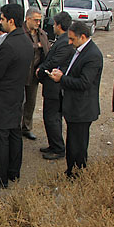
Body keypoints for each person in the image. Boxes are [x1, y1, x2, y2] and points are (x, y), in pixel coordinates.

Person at [0, 4, 33, 189]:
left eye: (2, 19)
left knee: (0, 137)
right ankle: (13, 172)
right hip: (17, 94)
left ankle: (0, 177)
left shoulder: (8, 44)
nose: (0, 22)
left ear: (11, 20)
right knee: (14, 135)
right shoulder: (26, 40)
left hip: (2, 98)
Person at [49, 21, 103, 177]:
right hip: (74, 107)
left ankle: (77, 174)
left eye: (72, 39)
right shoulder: (80, 51)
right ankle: (71, 171)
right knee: (72, 143)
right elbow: (74, 71)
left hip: (82, 109)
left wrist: (62, 79)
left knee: (78, 145)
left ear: (83, 37)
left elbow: (84, 83)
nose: (69, 42)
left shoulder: (92, 55)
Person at [36, 11, 74, 160]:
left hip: (55, 87)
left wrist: (41, 70)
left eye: (54, 24)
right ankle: (53, 144)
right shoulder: (61, 40)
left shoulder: (65, 42)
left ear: (58, 25)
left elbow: (54, 61)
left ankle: (58, 148)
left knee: (52, 118)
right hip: (52, 86)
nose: (53, 27)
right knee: (50, 117)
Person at [22, 7, 50, 141]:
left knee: (31, 102)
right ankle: (15, 127)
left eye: (40, 20)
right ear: (28, 19)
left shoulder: (42, 34)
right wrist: (35, 46)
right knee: (18, 101)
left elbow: (47, 49)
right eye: (36, 20)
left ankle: (26, 127)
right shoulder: (20, 33)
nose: (38, 23)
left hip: (34, 74)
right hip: (21, 73)